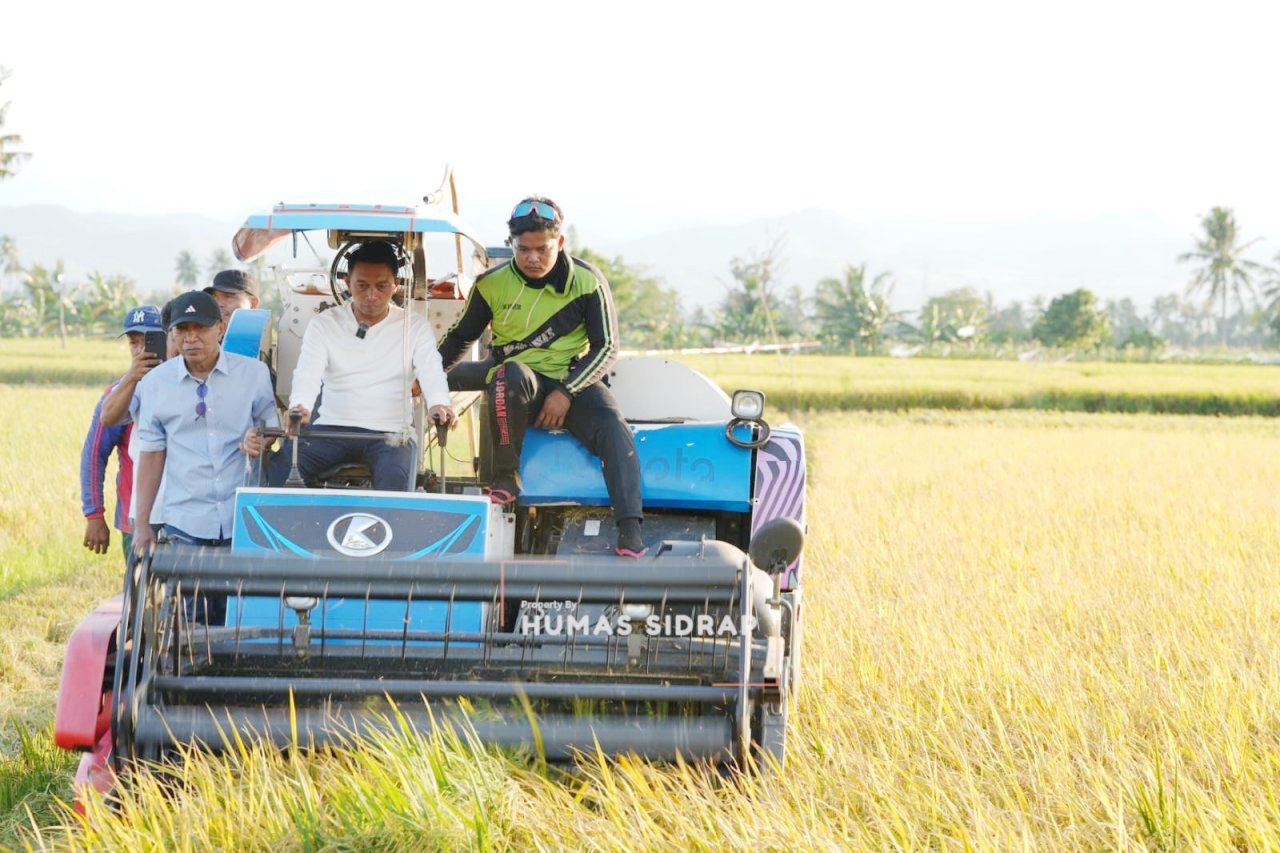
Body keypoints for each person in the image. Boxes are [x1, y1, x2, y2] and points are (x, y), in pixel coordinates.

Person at [437, 196, 646, 557]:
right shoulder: (490, 283)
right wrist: (429, 375)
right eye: (523, 250)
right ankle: (505, 479)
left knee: (615, 428)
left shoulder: (587, 281)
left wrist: (566, 392)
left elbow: (606, 347)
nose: (533, 258)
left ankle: (629, 528)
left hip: (570, 379)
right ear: (511, 245)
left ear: (560, 243)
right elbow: (459, 338)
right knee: (507, 374)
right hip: (515, 380)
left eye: (542, 249)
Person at [258, 240, 455, 491]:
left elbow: (431, 370)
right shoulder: (324, 324)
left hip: (391, 435)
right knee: (280, 471)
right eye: (362, 286)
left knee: (395, 483)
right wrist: (300, 406)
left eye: (381, 286)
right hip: (331, 429)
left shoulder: (413, 326)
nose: (372, 295)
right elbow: (308, 371)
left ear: (396, 285)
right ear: (347, 283)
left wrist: (439, 402)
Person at [132, 290, 279, 562]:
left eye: (200, 328)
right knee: (190, 604)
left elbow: (271, 426)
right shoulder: (154, 384)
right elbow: (151, 454)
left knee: (238, 603)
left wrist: (260, 437)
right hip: (184, 523)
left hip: (244, 518)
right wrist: (142, 524)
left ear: (220, 329)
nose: (191, 338)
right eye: (182, 329)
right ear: (172, 334)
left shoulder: (253, 374)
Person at [79, 304, 163, 559]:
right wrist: (94, 514)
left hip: (183, 519)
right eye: (133, 342)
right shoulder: (118, 395)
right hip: (135, 518)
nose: (140, 350)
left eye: (148, 341)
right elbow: (94, 453)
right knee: (140, 594)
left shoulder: (187, 386)